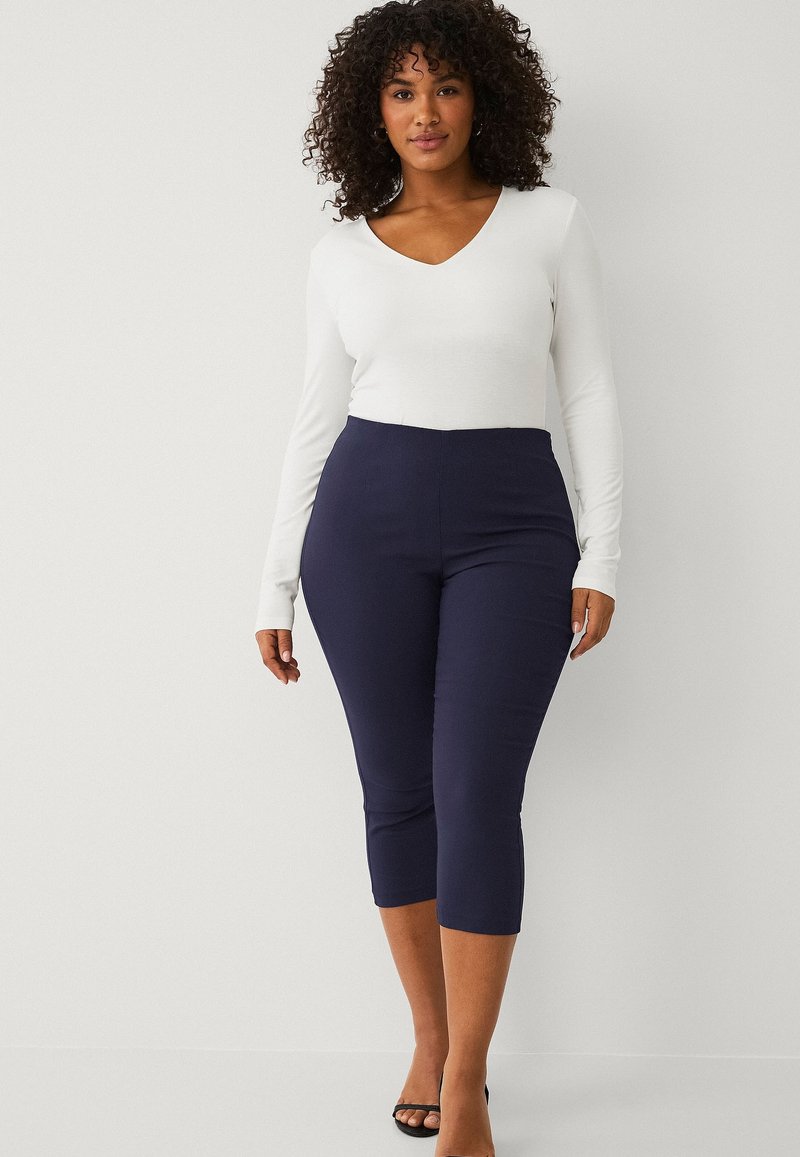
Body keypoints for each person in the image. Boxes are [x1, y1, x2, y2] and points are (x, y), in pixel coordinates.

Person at [254, 2, 623, 1153]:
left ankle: (464, 1081)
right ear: (370, 108)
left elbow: (588, 390)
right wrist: (272, 582)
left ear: (484, 99)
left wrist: (603, 552)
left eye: (447, 87)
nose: (425, 112)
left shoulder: (548, 223)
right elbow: (314, 418)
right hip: (360, 530)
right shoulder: (338, 252)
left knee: (474, 791)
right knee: (396, 793)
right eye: (402, 90)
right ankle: (429, 1035)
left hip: (514, 529)